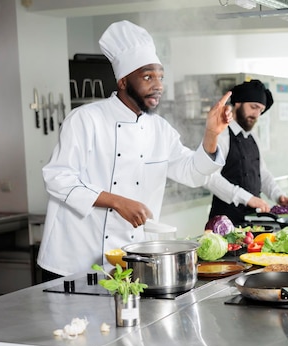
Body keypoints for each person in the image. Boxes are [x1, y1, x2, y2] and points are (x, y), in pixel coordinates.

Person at [37, 20, 233, 279]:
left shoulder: (159, 129)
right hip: (73, 260)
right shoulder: (86, 119)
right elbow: (57, 178)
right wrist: (117, 201)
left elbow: (193, 173)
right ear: (123, 81)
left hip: (127, 258)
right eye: (148, 77)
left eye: (160, 76)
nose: (158, 85)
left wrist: (211, 134)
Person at [203, 79, 288, 225]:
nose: (256, 114)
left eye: (260, 110)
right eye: (253, 107)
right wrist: (247, 198)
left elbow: (262, 173)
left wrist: (279, 196)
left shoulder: (253, 137)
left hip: (251, 222)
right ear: (238, 103)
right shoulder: (222, 135)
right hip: (224, 222)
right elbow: (210, 177)